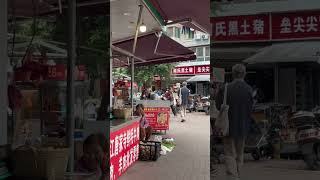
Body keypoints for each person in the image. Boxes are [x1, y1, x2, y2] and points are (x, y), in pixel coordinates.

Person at [215, 64, 253, 180]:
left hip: (227, 126)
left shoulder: (225, 88)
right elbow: (250, 108)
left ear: (232, 74)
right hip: (243, 125)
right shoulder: (249, 89)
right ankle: (239, 175)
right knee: (240, 153)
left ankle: (232, 177)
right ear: (244, 74)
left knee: (229, 152)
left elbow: (218, 106)